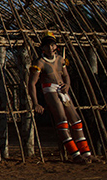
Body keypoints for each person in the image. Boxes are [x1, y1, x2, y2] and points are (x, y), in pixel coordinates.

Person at [28, 33, 92, 163]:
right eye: (47, 45)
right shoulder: (40, 63)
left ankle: (86, 153)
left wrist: (67, 85)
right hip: (50, 90)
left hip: (62, 89)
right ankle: (75, 154)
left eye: (53, 44)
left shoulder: (60, 60)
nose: (51, 47)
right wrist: (35, 103)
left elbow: (66, 75)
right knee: (62, 120)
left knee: (76, 120)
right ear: (43, 49)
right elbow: (32, 83)